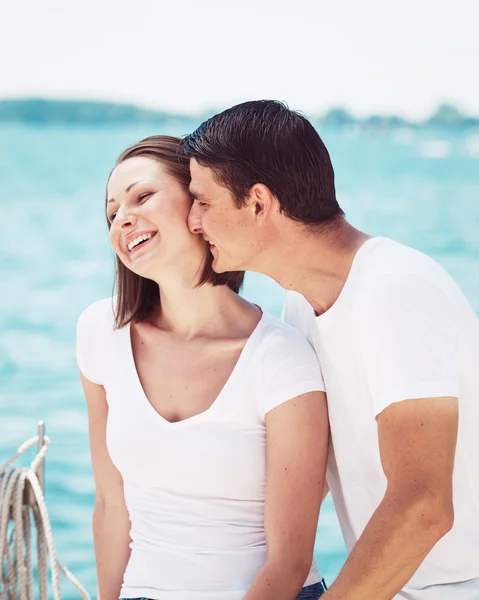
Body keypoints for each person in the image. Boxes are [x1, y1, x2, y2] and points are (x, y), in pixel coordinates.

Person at [182, 100, 479, 600]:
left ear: (258, 203)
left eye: (203, 202)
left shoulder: (394, 290)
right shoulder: (302, 303)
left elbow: (423, 505)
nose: (192, 222)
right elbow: (309, 476)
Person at [76, 135, 330, 600]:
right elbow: (113, 505)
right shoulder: (99, 332)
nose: (122, 218)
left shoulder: (280, 358)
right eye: (112, 213)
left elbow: (289, 560)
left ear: (198, 207)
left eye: (142, 196)